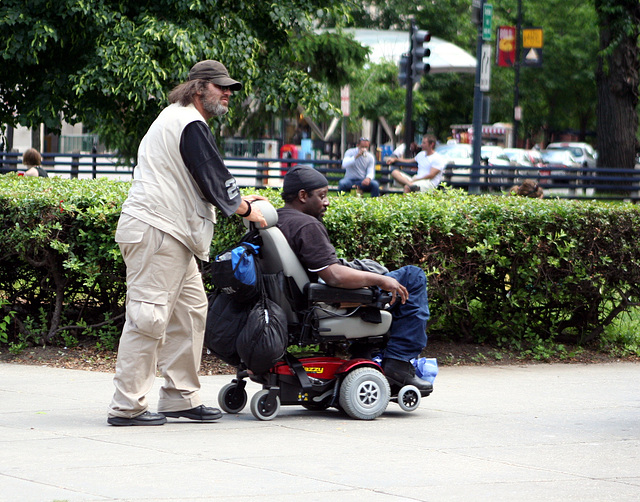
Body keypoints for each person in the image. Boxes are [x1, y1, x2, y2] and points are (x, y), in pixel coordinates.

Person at [107, 60, 267, 426]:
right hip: (158, 230)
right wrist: (245, 208)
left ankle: (181, 397)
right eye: (220, 87)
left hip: (171, 234)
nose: (227, 93)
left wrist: (241, 203)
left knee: (191, 312)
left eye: (230, 88)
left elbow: (202, 176)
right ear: (199, 88)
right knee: (148, 317)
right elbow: (212, 174)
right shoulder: (188, 122)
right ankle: (127, 405)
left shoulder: (177, 118)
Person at [276, 166, 432, 393]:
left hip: (302, 297)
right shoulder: (307, 225)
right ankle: (398, 363)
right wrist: (379, 280)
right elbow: (335, 276)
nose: (327, 202)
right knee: (413, 276)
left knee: (386, 274)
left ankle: (364, 356)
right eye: (322, 196)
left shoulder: (277, 218)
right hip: (325, 298)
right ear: (302, 196)